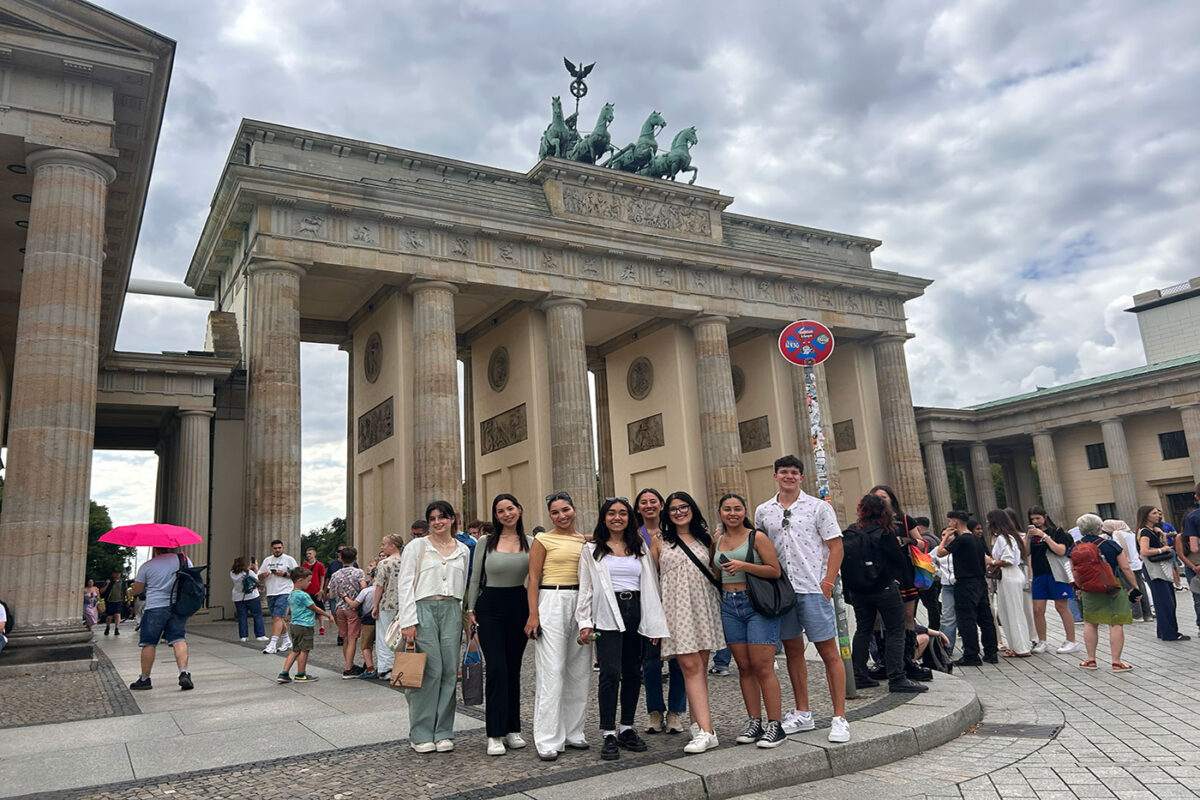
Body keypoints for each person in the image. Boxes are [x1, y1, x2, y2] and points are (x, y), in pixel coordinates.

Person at [755, 455, 850, 744]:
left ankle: (839, 717)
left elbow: (836, 547)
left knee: (829, 652)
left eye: (794, 472)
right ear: (775, 476)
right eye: (783, 472)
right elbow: (760, 547)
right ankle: (803, 712)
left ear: (801, 477)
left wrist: (828, 582)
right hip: (783, 592)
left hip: (812, 587)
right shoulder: (763, 511)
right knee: (794, 651)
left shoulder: (818, 507)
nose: (788, 476)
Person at [578, 497, 669, 760]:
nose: (617, 517)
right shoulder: (592, 549)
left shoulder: (638, 546)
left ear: (630, 518)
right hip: (607, 612)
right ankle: (607, 731)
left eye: (622, 513)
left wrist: (653, 624)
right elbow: (586, 588)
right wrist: (584, 623)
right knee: (609, 671)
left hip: (636, 611)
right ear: (603, 517)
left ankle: (626, 727)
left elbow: (651, 585)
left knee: (632, 671)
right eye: (611, 513)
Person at [713, 492, 792, 745]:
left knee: (762, 666)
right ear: (720, 513)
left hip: (756, 604)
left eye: (737, 508)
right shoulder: (718, 539)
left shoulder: (756, 537)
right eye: (727, 509)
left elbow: (774, 570)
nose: (732, 513)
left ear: (745, 511)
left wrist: (744, 566)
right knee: (744, 667)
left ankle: (775, 725)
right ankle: (754, 722)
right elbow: (715, 572)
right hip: (729, 605)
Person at [398, 500, 471, 753]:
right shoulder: (417, 547)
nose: (437, 522)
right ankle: (420, 732)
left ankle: (443, 731)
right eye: (432, 518)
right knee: (430, 670)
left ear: (452, 519)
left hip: (452, 609)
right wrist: (408, 621)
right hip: (423, 609)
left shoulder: (463, 549)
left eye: (442, 517)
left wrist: (465, 616)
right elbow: (405, 583)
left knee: (450, 671)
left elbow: (463, 585)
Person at [655, 490, 725, 754]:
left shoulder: (707, 539)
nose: (679, 512)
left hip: (703, 606)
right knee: (689, 666)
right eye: (673, 509)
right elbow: (652, 579)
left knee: (699, 669)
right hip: (675, 610)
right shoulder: (659, 541)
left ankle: (699, 725)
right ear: (667, 514)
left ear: (692, 509)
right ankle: (708, 732)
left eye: (683, 507)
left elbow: (716, 573)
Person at [466, 493, 534, 756]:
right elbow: (475, 577)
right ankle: (494, 732)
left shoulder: (530, 542)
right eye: (500, 511)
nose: (507, 514)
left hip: (519, 604)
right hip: (490, 606)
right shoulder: (486, 541)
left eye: (510, 508)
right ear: (495, 516)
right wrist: (471, 608)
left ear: (519, 509)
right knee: (496, 668)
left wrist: (534, 613)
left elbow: (536, 578)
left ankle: (512, 728)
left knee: (513, 669)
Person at [526, 491, 591, 761]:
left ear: (573, 509)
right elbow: (532, 576)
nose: (561, 516)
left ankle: (574, 731)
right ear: (550, 516)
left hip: (581, 601)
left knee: (579, 669)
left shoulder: (584, 541)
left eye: (565, 510)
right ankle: (547, 738)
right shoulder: (543, 539)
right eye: (555, 512)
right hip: (551, 599)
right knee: (552, 670)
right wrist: (533, 614)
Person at [845, 493, 926, 692]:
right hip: (884, 588)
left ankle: (859, 674)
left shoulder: (851, 531)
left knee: (863, 630)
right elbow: (898, 561)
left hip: (859, 591)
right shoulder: (885, 532)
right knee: (895, 631)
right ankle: (897, 677)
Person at [634, 487, 687, 735]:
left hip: (675, 602)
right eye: (643, 502)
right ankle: (654, 712)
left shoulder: (673, 533)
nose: (648, 505)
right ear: (638, 508)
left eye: (653, 501)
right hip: (647, 603)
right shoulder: (632, 536)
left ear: (661, 505)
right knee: (651, 662)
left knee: (679, 660)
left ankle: (675, 712)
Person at [869, 485, 930, 682]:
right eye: (876, 497)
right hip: (880, 573)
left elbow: (922, 543)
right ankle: (885, 661)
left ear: (891, 499)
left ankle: (908, 659)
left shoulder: (904, 519)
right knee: (879, 617)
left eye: (883, 496)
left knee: (908, 615)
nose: (881, 500)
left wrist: (906, 540)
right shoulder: (870, 521)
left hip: (904, 572)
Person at [1075, 513, 1143, 671]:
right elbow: (1125, 568)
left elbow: (1075, 569)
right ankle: (1116, 662)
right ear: (1100, 528)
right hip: (1113, 586)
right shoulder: (1111, 545)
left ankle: (1090, 659)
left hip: (1089, 587)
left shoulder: (1077, 545)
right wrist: (1135, 586)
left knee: (1090, 622)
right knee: (1116, 623)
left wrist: (1078, 587)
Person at [937, 510, 998, 666]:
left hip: (965, 583)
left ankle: (971, 654)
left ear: (955, 522)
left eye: (950, 521)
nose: (949, 524)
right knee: (985, 619)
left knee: (967, 620)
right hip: (980, 581)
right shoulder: (976, 539)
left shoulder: (962, 539)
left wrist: (944, 538)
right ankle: (991, 652)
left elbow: (940, 553)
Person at [129, 547, 194, 691]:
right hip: (177, 606)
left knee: (149, 643)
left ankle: (145, 679)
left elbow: (137, 591)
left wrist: (135, 587)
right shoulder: (183, 560)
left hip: (154, 607)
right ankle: (184, 673)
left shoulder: (147, 566)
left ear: (156, 549)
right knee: (179, 639)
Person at [1024, 506, 1080, 654]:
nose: (1035, 522)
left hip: (1056, 573)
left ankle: (1071, 640)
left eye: (1038, 518)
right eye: (1032, 519)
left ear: (1045, 516)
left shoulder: (1057, 532)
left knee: (1061, 607)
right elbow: (1026, 553)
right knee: (1037, 609)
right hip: (1038, 574)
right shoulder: (1032, 535)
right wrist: (1028, 538)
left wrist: (1044, 536)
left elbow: (1060, 550)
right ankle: (1042, 641)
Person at [1137, 505, 1187, 642]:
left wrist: (1162, 535)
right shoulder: (1145, 532)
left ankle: (1163, 630)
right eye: (1154, 513)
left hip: (1159, 568)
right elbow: (1144, 551)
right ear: (1146, 515)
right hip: (1155, 569)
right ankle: (1169, 633)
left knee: (1165, 600)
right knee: (1165, 602)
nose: (1158, 515)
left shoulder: (1152, 531)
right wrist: (1162, 549)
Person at [276, 566, 335, 683]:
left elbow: (289, 609)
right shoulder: (303, 595)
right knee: (304, 650)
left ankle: (284, 673)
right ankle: (301, 674)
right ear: (300, 580)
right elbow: (314, 608)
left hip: (294, 625)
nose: (310, 583)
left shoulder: (291, 594)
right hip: (304, 626)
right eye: (308, 580)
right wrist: (328, 615)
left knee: (295, 650)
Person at [986, 510, 1031, 658]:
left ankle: (1021, 647)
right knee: (1007, 612)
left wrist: (990, 561)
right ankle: (1017, 645)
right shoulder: (1009, 537)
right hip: (1010, 575)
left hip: (1010, 574)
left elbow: (1009, 560)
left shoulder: (1003, 538)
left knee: (1013, 612)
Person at [327, 546, 368, 678]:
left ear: (340, 559)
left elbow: (331, 594)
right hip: (352, 608)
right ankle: (348, 668)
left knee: (344, 638)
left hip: (339, 608)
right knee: (352, 639)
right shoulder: (358, 573)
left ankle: (348, 663)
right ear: (355, 558)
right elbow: (364, 588)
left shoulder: (335, 574)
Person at [1103, 519, 1152, 622]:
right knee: (1141, 588)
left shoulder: (1117, 533)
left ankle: (1137, 615)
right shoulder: (1130, 533)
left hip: (1127, 564)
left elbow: (1118, 549)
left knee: (1130, 589)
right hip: (1137, 563)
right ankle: (1147, 614)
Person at [372, 533, 405, 680]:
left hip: (387, 603)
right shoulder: (406, 561)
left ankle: (386, 668)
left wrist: (375, 605)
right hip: (404, 603)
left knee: (385, 636)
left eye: (384, 544)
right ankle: (401, 666)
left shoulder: (384, 563)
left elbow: (379, 585)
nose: (381, 547)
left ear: (392, 546)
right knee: (400, 637)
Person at [259, 540, 298, 654]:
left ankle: (272, 644)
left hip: (284, 591)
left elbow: (297, 575)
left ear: (283, 548)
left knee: (277, 618)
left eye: (279, 548)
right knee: (279, 619)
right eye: (275, 548)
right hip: (271, 592)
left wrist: (284, 574)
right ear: (271, 549)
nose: (277, 550)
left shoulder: (289, 560)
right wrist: (263, 575)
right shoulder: (267, 560)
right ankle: (286, 640)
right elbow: (259, 576)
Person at [1175, 484, 1200, 634]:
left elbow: (1194, 548)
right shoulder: (1180, 537)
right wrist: (1194, 567)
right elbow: (1182, 554)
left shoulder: (1194, 517)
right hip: (1195, 566)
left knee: (1198, 598)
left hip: (1197, 566)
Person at [344, 579, 379, 678]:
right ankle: (383, 667)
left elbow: (354, 604)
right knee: (381, 646)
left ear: (372, 579)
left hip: (367, 620)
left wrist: (345, 597)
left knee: (366, 646)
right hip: (381, 620)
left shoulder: (366, 591)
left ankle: (370, 669)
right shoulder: (384, 590)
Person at [230, 556, 266, 642]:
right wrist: (256, 569)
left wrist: (249, 568)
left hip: (238, 597)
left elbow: (242, 576)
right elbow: (256, 580)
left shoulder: (232, 573)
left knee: (242, 617)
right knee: (257, 615)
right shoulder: (249, 572)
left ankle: (243, 636)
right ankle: (260, 635)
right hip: (251, 596)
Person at [302, 548, 328, 635]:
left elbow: (322, 577)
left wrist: (321, 589)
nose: (308, 555)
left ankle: (322, 626)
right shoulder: (304, 565)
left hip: (316, 590)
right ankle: (308, 626)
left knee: (319, 609)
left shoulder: (320, 565)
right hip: (306, 590)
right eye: (307, 554)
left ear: (314, 554)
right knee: (307, 609)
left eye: (310, 553)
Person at [99, 569, 125, 636]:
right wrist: (107, 584)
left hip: (119, 600)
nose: (117, 575)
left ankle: (116, 629)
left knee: (117, 614)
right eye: (115, 573)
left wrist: (127, 599)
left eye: (118, 573)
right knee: (109, 617)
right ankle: (108, 627)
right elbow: (101, 591)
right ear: (113, 574)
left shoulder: (123, 582)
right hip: (110, 601)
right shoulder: (109, 582)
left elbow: (125, 590)